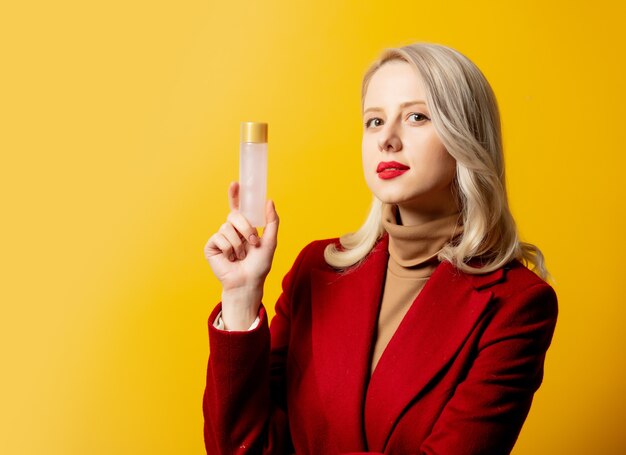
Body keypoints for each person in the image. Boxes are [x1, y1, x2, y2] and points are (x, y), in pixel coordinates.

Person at [202, 43, 558, 455]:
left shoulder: (516, 305)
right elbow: (240, 447)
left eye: (417, 116)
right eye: (374, 121)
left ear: (466, 134)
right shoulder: (315, 271)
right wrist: (241, 298)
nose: (387, 139)